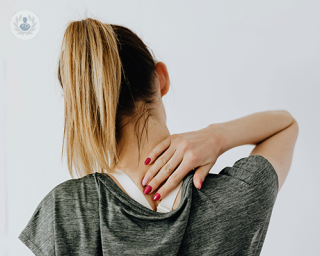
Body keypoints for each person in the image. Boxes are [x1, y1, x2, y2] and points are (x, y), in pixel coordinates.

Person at [18, 18, 299, 255]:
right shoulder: (238, 196)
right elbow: (286, 124)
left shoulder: (67, 211)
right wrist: (217, 136)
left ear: (86, 107)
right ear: (160, 78)